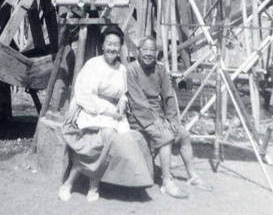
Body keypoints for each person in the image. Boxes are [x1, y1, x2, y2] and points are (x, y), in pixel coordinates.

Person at [58, 25, 153, 202]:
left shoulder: (122, 69)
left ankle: (95, 184)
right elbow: (84, 95)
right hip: (91, 110)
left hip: (114, 115)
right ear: (102, 46)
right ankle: (72, 183)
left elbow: (123, 93)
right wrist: (108, 110)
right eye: (109, 43)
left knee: (121, 140)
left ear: (120, 48)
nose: (112, 48)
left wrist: (123, 103)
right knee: (104, 137)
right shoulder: (93, 65)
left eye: (116, 45)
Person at [127, 36, 211, 198]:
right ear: (139, 51)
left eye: (152, 50)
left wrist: (172, 118)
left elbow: (169, 95)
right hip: (139, 116)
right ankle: (166, 182)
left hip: (158, 115)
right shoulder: (132, 69)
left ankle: (192, 176)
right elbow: (137, 100)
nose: (149, 54)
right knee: (165, 137)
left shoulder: (160, 68)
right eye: (145, 50)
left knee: (183, 134)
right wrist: (154, 119)